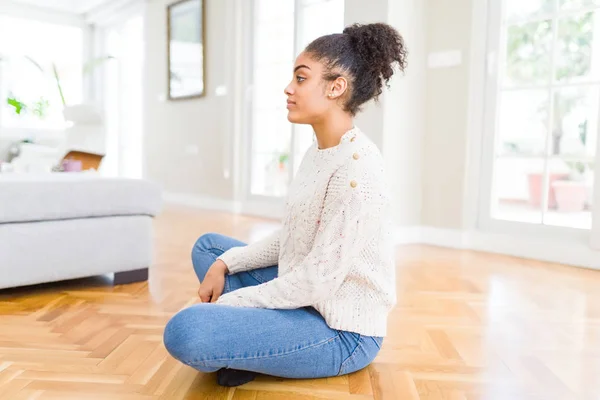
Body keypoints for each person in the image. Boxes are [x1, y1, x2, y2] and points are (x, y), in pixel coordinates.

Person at [163, 22, 407, 387]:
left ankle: (259, 347)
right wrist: (225, 263)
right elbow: (293, 237)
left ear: (336, 86)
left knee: (186, 330)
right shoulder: (320, 150)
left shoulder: (359, 172)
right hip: (307, 293)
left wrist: (229, 304)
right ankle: (262, 349)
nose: (288, 88)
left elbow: (315, 284)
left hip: (342, 330)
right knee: (210, 249)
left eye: (301, 78)